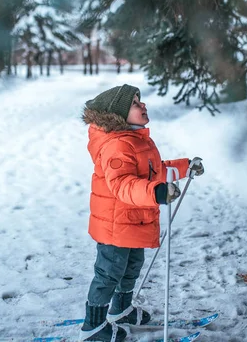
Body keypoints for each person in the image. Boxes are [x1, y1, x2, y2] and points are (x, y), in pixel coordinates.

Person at [80, 84, 204, 341]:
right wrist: (156, 193)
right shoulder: (117, 146)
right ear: (119, 114)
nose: (143, 105)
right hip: (115, 224)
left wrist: (185, 167)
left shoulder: (136, 141)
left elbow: (155, 169)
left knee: (131, 268)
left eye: (140, 100)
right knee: (108, 274)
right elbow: (121, 185)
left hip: (132, 221)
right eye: (135, 103)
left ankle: (121, 310)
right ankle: (93, 327)